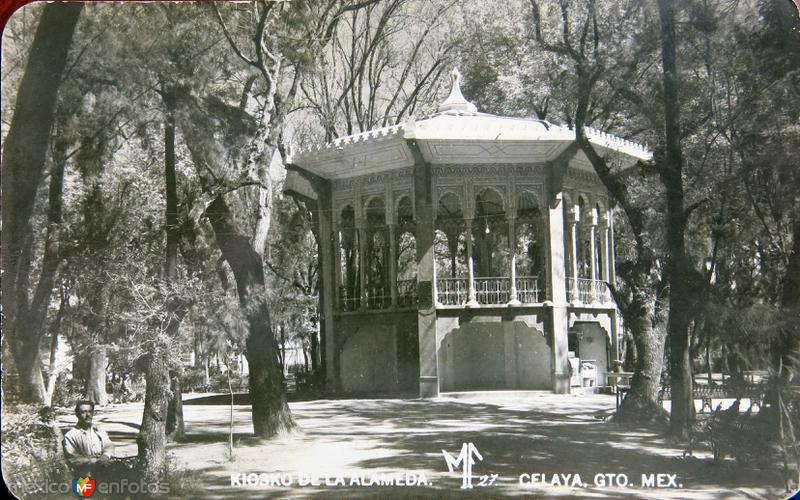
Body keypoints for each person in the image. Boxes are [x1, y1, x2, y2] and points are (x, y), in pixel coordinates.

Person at [63, 400, 115, 475]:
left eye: (90, 412)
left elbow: (109, 446)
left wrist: (106, 456)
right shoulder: (71, 435)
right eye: (83, 412)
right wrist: (95, 461)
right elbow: (73, 458)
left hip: (104, 472)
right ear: (77, 414)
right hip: (83, 475)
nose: (88, 415)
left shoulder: (99, 430)